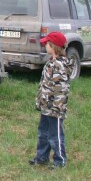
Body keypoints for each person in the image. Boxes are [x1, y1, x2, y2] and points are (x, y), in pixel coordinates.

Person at [29, 31, 75, 169]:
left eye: (47, 44)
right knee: (43, 132)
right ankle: (42, 157)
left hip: (55, 108)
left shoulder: (60, 66)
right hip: (46, 106)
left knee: (55, 135)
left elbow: (61, 88)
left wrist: (56, 106)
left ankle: (60, 160)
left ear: (54, 47)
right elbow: (46, 85)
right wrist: (41, 101)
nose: (45, 47)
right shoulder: (51, 63)